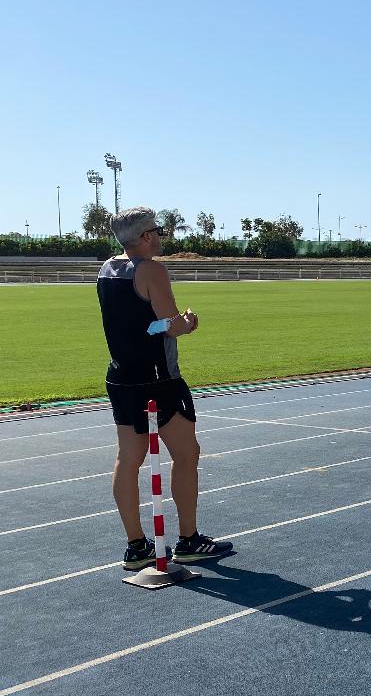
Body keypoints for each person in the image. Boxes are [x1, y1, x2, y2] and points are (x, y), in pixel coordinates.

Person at [98, 207, 232, 570]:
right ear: (144, 237)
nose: (160, 237)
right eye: (156, 231)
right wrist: (187, 322)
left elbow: (145, 327)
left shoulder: (108, 269)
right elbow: (166, 326)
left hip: (121, 377)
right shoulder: (152, 270)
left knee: (128, 461)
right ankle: (188, 540)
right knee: (187, 454)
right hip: (158, 379)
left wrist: (165, 325)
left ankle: (136, 546)